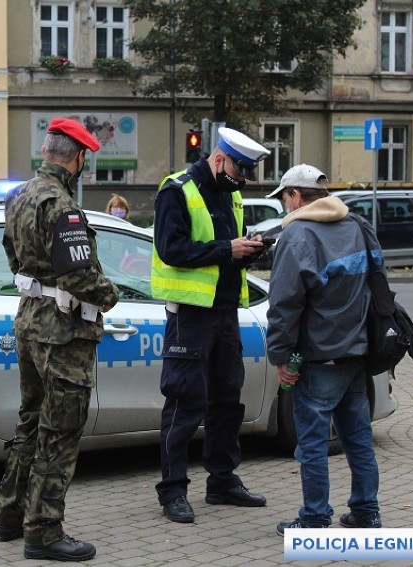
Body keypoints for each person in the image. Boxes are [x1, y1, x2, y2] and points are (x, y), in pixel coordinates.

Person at [0, 117, 120, 561]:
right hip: (64, 333)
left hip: (30, 322)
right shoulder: (61, 204)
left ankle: (9, 514)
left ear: (47, 152)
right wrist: (110, 295)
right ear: (79, 157)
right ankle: (44, 530)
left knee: (30, 421)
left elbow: (12, 256)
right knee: (60, 431)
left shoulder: (18, 196)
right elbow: (79, 274)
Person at [151, 127, 270, 524]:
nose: (241, 181)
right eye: (238, 171)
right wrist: (227, 249)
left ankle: (221, 481)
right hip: (189, 316)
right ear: (219, 159)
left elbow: (223, 254)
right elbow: (171, 250)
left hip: (224, 315)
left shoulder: (229, 192)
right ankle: (172, 492)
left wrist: (246, 250)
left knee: (227, 401)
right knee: (185, 404)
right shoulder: (177, 190)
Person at [265, 164, 383, 535]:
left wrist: (281, 357)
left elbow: (285, 305)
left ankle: (315, 517)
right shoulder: (359, 226)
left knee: (312, 444)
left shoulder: (298, 236)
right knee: (359, 441)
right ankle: (366, 512)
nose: (285, 206)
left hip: (316, 358)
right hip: (357, 353)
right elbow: (377, 283)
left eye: (285, 198)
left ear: (296, 196)